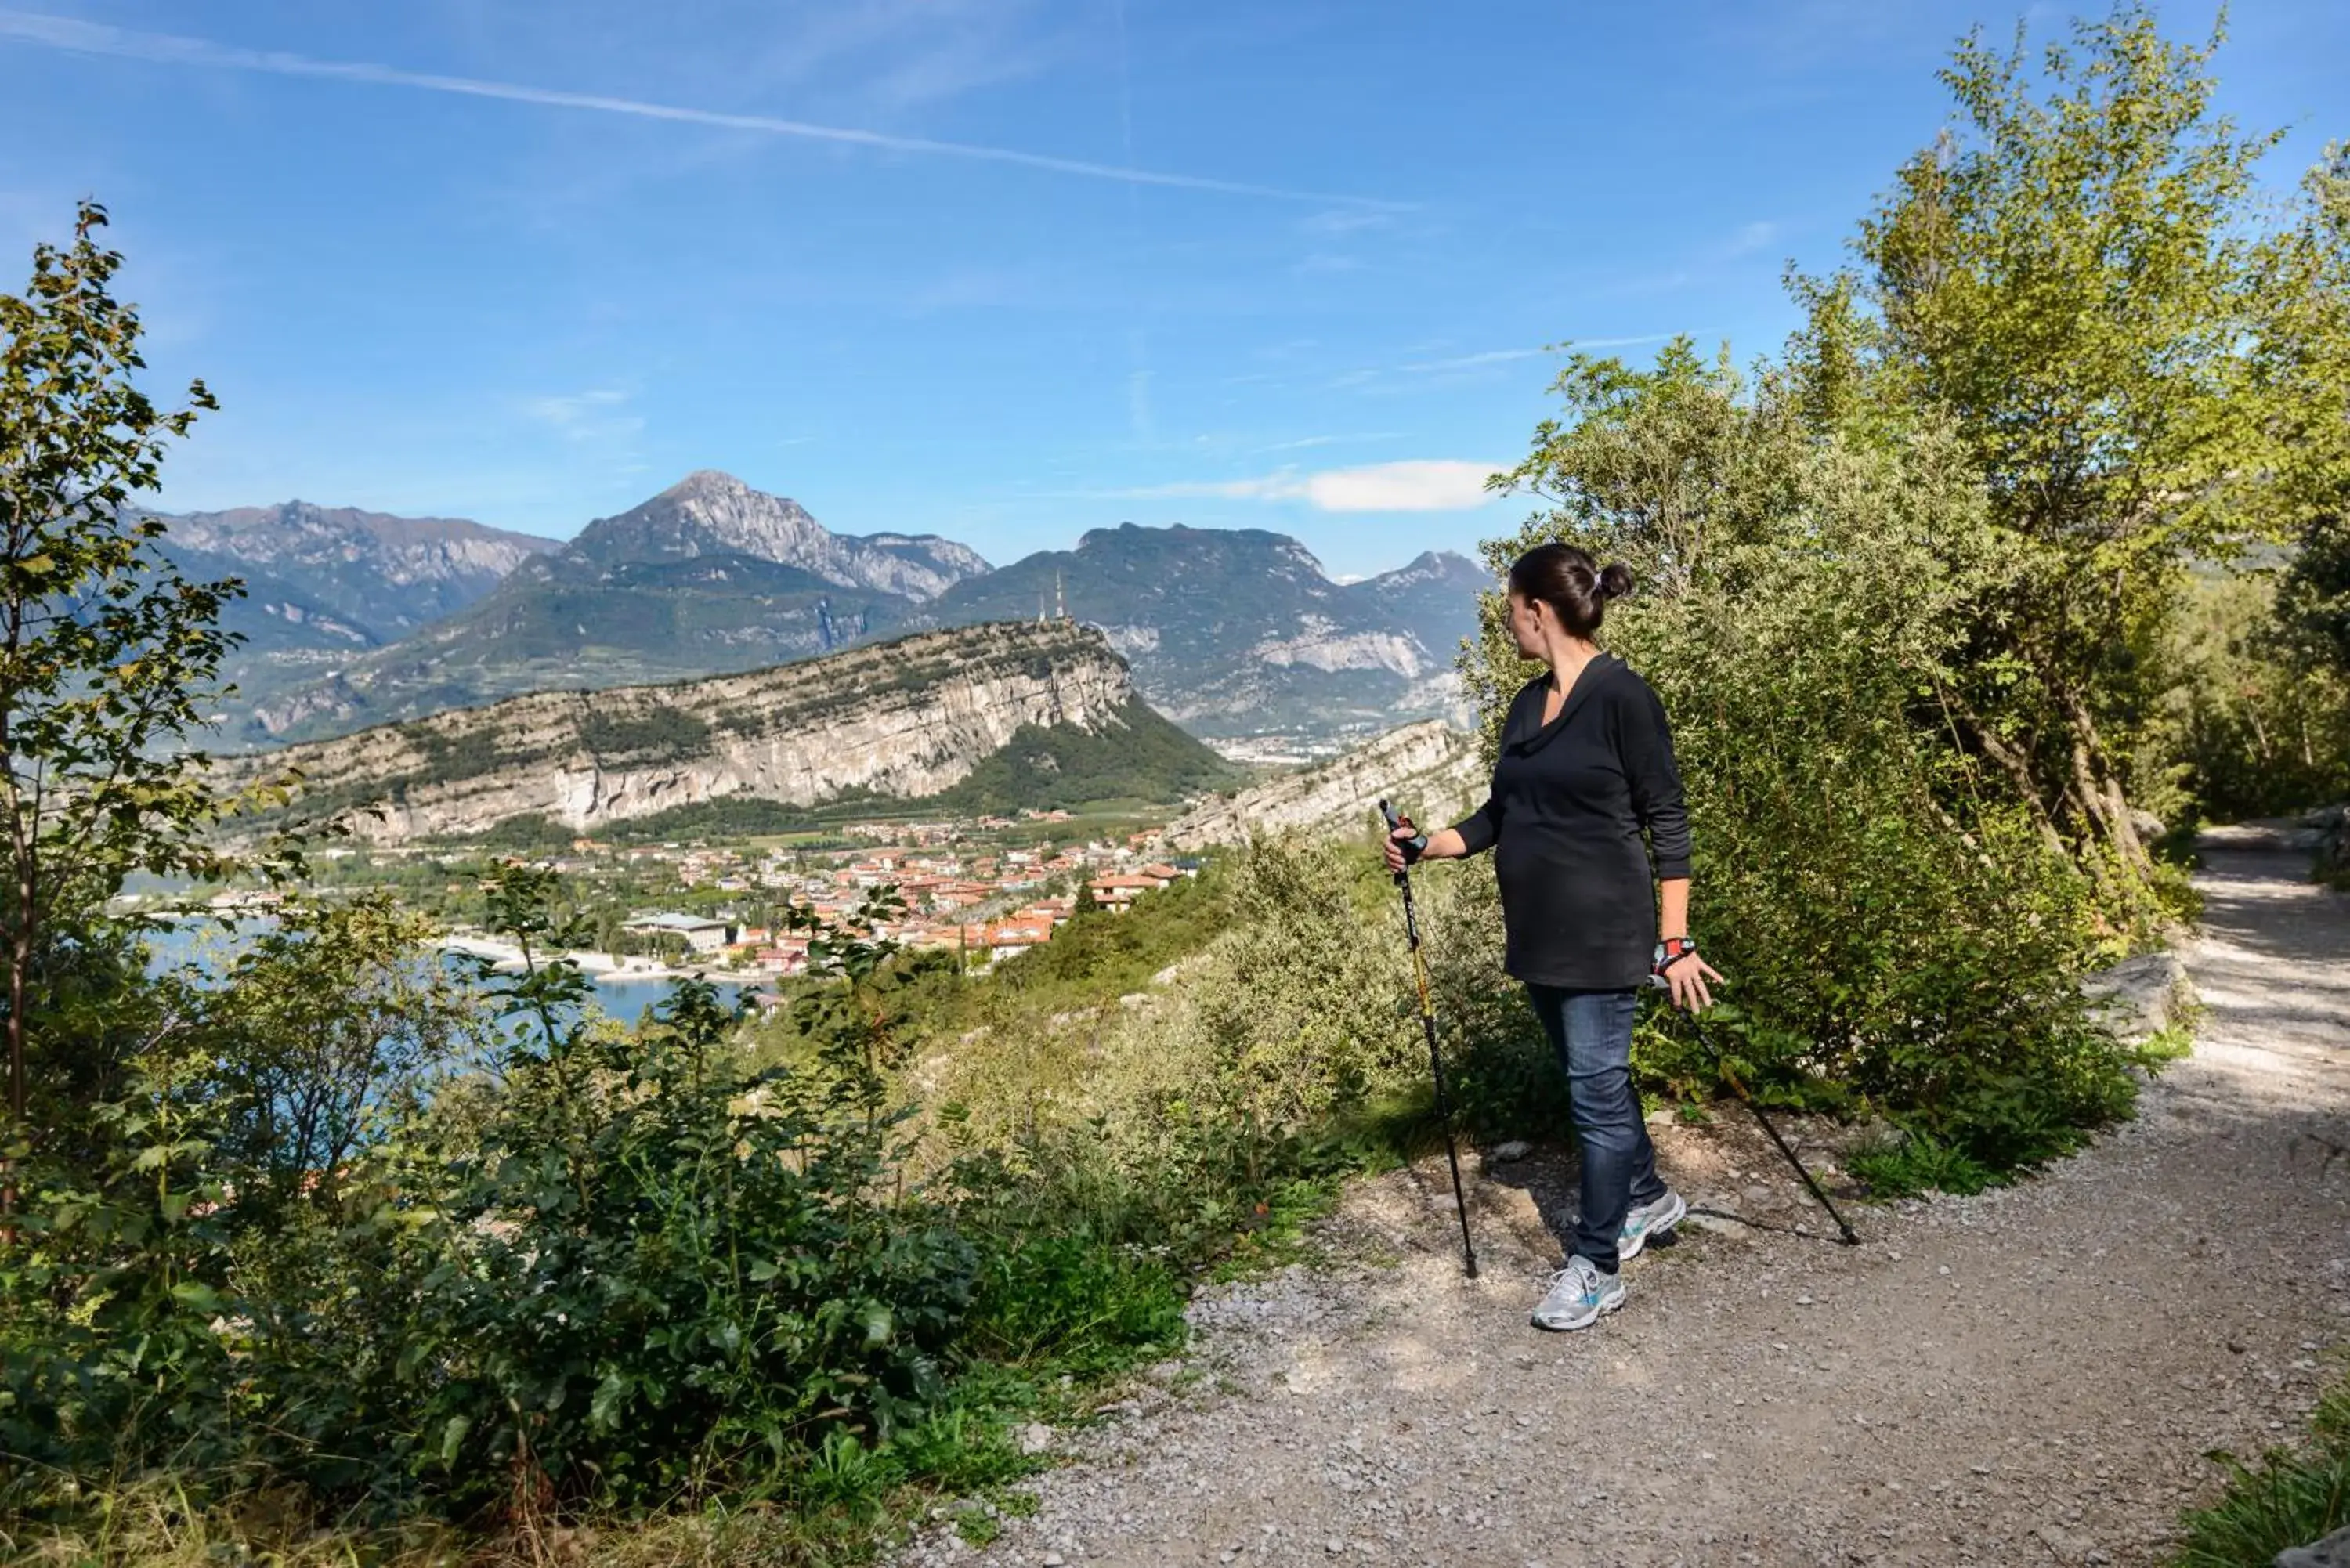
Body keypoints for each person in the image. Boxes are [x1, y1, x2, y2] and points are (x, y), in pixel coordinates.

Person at [1384, 541, 1722, 1331]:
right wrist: (1427, 843)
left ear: (1538, 611)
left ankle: (1597, 1264)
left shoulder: (1623, 698)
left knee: (1595, 1094)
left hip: (1607, 932)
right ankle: (1648, 1195)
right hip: (1539, 932)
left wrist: (1673, 943)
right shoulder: (1525, 706)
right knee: (1587, 1076)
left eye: (1510, 609)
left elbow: (1668, 822)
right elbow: (1500, 815)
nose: (1507, 623)